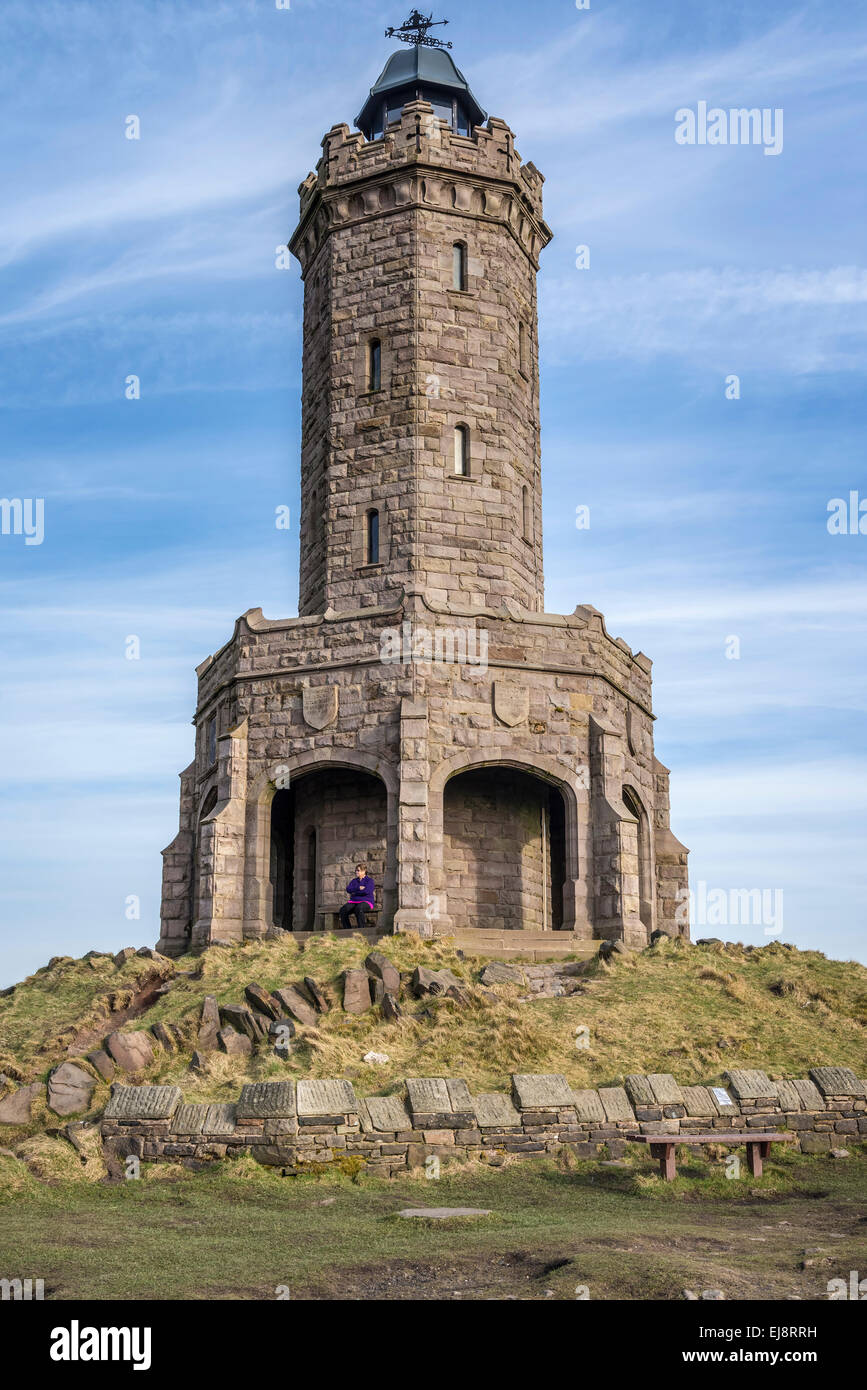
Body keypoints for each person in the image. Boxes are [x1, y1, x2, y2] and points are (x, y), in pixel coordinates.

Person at [339, 861, 375, 929]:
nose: (356, 872)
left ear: (364, 871)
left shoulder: (369, 881)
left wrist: (355, 892)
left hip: (367, 901)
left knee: (359, 908)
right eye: (356, 870)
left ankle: (361, 930)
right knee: (343, 910)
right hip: (354, 901)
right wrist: (358, 888)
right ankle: (348, 929)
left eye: (358, 870)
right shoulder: (354, 881)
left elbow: (367, 891)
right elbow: (348, 889)